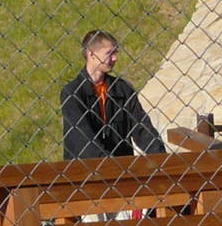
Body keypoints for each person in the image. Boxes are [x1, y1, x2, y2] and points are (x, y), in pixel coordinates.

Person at [60, 30, 166, 160]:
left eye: (115, 52)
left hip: (122, 169)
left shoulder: (122, 89)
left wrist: (161, 158)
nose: (115, 58)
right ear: (91, 54)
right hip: (86, 171)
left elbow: (142, 128)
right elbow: (82, 139)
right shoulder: (73, 93)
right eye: (109, 53)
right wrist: (110, 164)